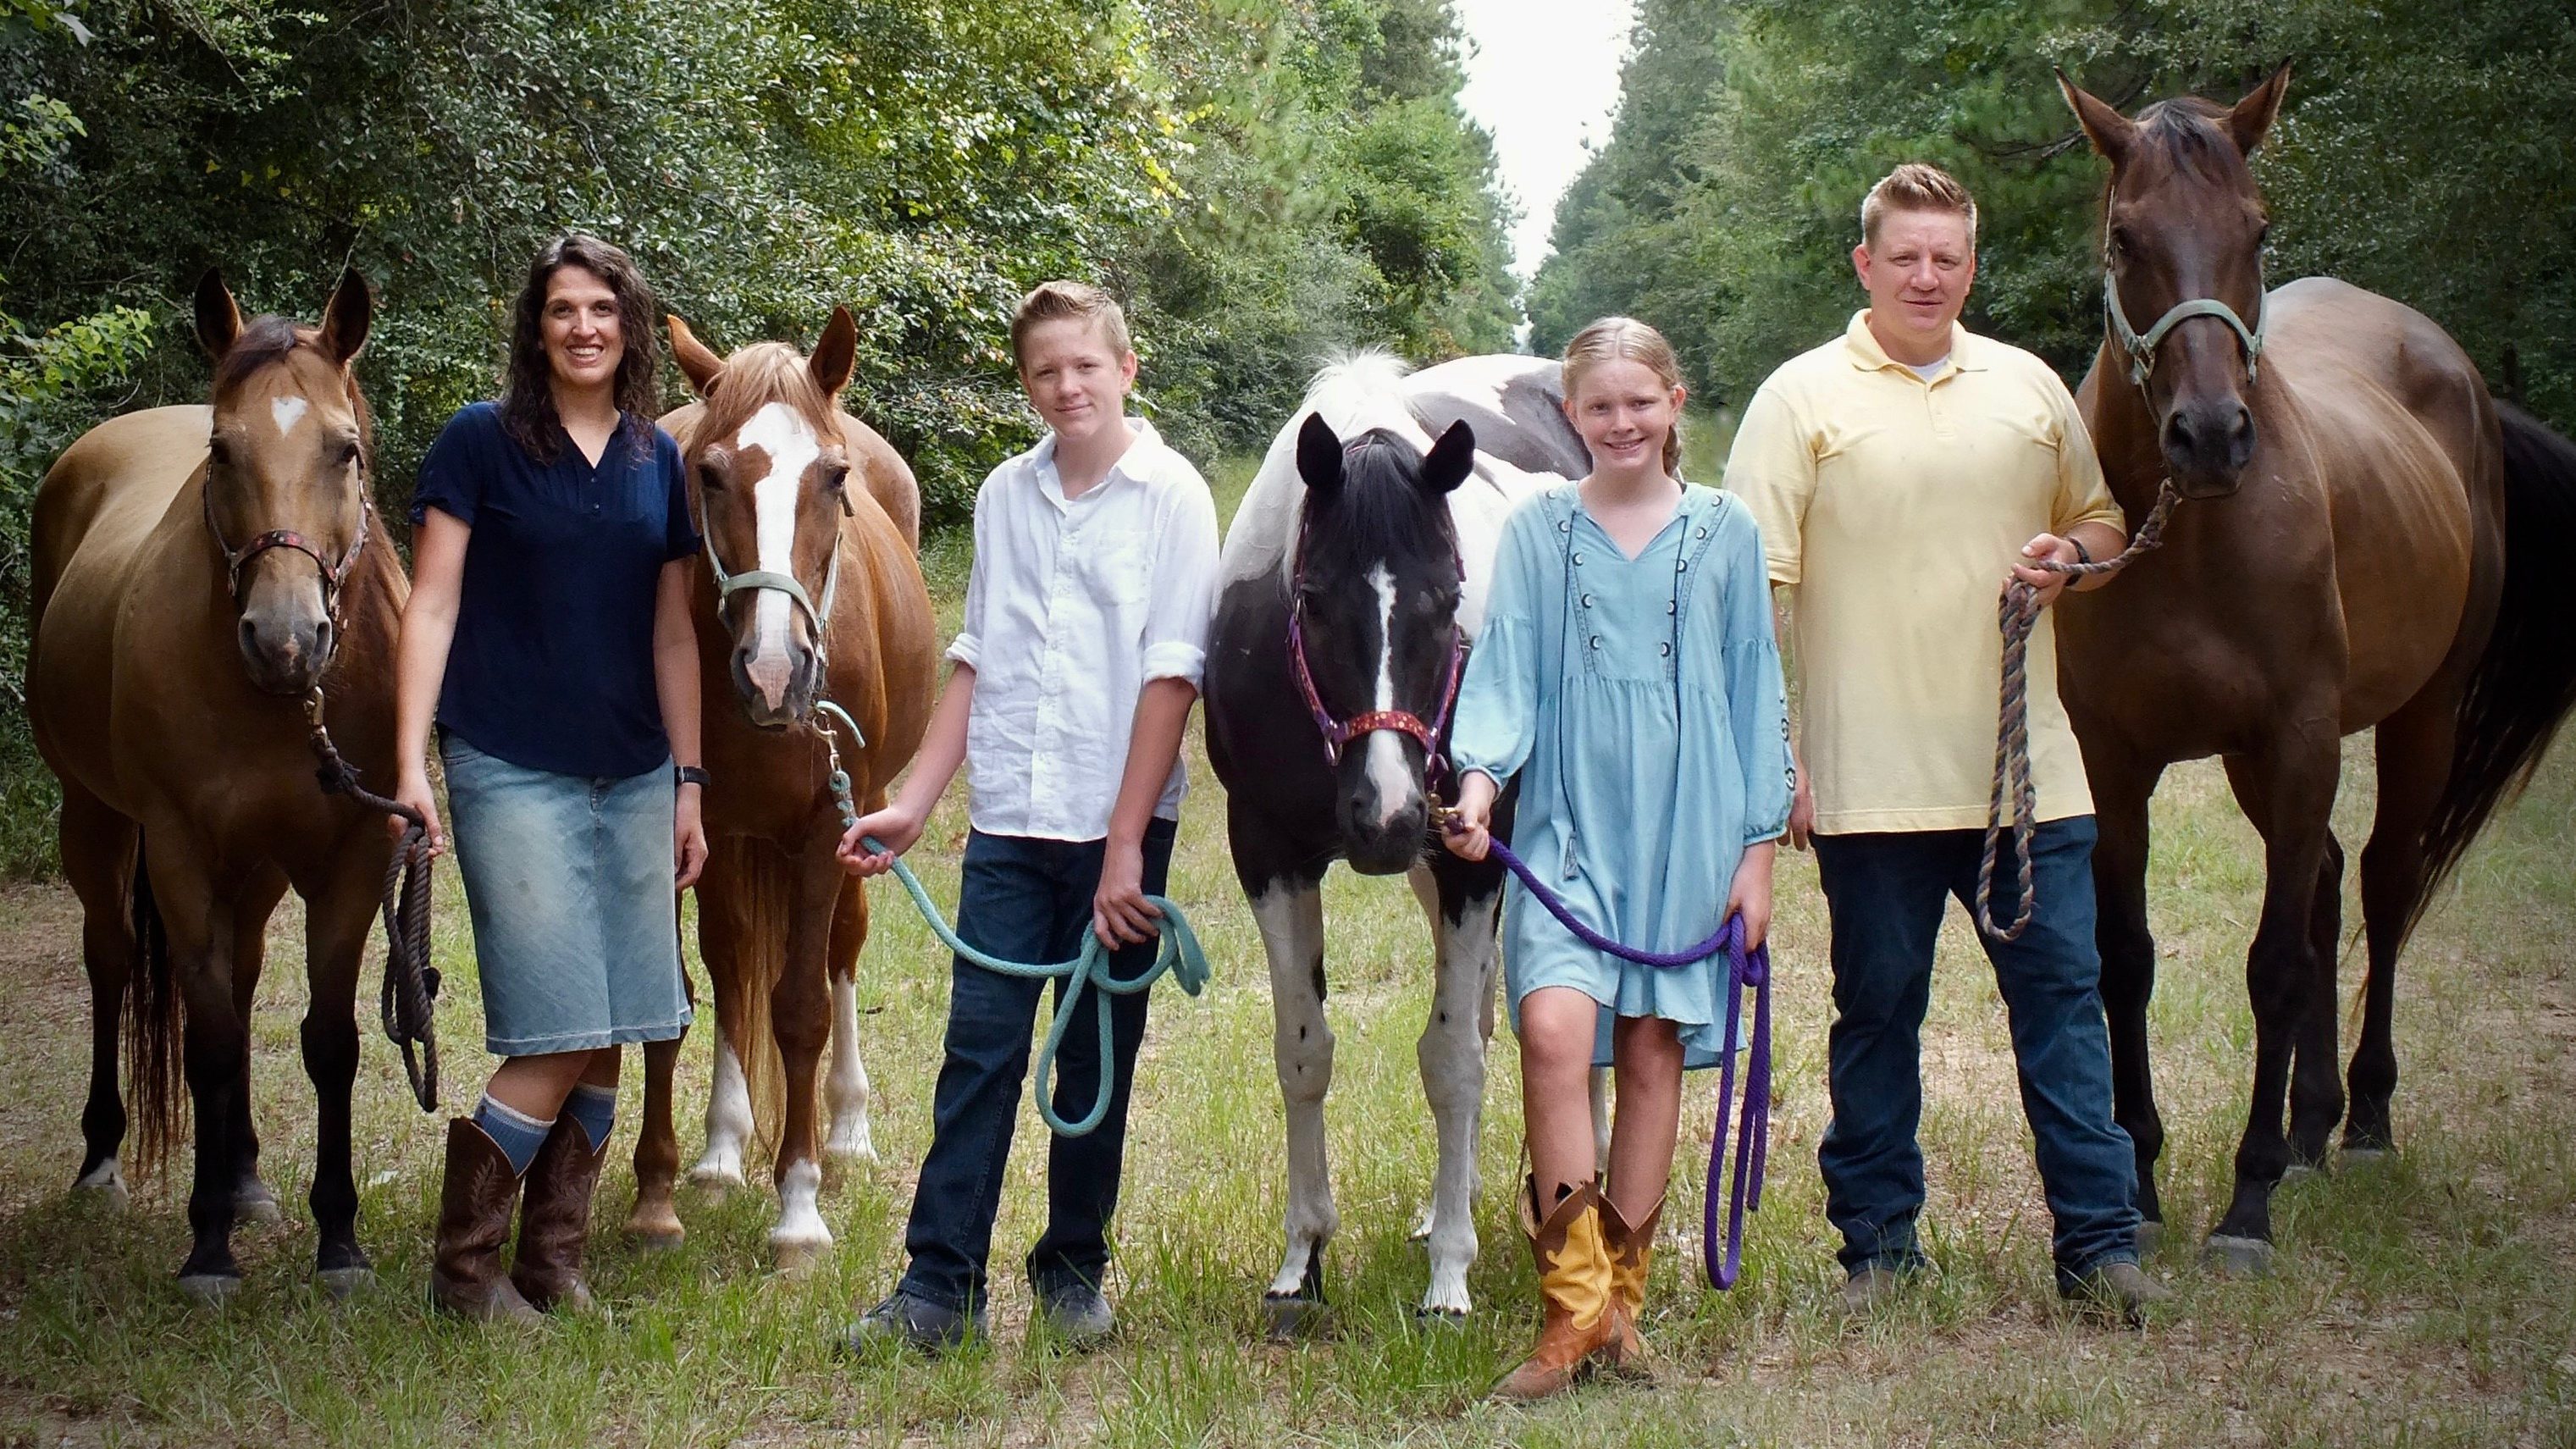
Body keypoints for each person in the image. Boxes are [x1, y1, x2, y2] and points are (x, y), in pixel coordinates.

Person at [1723, 163, 2170, 1319]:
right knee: (1876, 1014)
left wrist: (2069, 558)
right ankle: (1876, 1244)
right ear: (1863, 264)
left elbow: (2100, 513)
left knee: (2065, 1008)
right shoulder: (1797, 399)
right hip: (1870, 789)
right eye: (1903, 255)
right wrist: (1783, 762)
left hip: (2029, 782)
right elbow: (1742, 598)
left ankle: (2098, 1241)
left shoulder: (2026, 386)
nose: (1926, 275)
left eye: (1947, 257)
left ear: (1972, 267)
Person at [834, 280, 1220, 1353]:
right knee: (980, 1054)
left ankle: (1071, 1269)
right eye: (1046, 371)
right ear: (1027, 383)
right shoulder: (1007, 493)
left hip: (1118, 827)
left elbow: (1171, 675)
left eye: (1085, 366)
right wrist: (914, 797)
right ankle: (938, 1287)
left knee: (1092, 1059)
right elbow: (978, 657)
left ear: (1126, 369)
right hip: (1011, 818)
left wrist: (1129, 847)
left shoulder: (1175, 496)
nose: (1067, 387)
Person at [1442, 317, 1792, 1399]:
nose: (1622, 421)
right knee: (1553, 1030)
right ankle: (1571, 1312)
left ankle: (1620, 1315)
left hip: (1693, 819)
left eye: (1640, 400)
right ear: (1571, 417)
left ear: (1675, 402)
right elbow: (1506, 674)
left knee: (1649, 1050)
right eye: (1599, 406)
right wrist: (1478, 784)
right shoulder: (1542, 530)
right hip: (1573, 825)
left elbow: (1753, 690)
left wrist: (1759, 851)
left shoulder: (1725, 531)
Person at [394, 234, 707, 1321]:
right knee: (559, 1023)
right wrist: (411, 762)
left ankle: (553, 1263)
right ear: (537, 328)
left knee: (622, 1014)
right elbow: (429, 606)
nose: (584, 327)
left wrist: (692, 781)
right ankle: (465, 1273)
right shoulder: (479, 443)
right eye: (563, 309)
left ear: (630, 327)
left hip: (633, 771)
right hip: (508, 763)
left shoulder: (652, 460)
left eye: (604, 309)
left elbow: (675, 636)